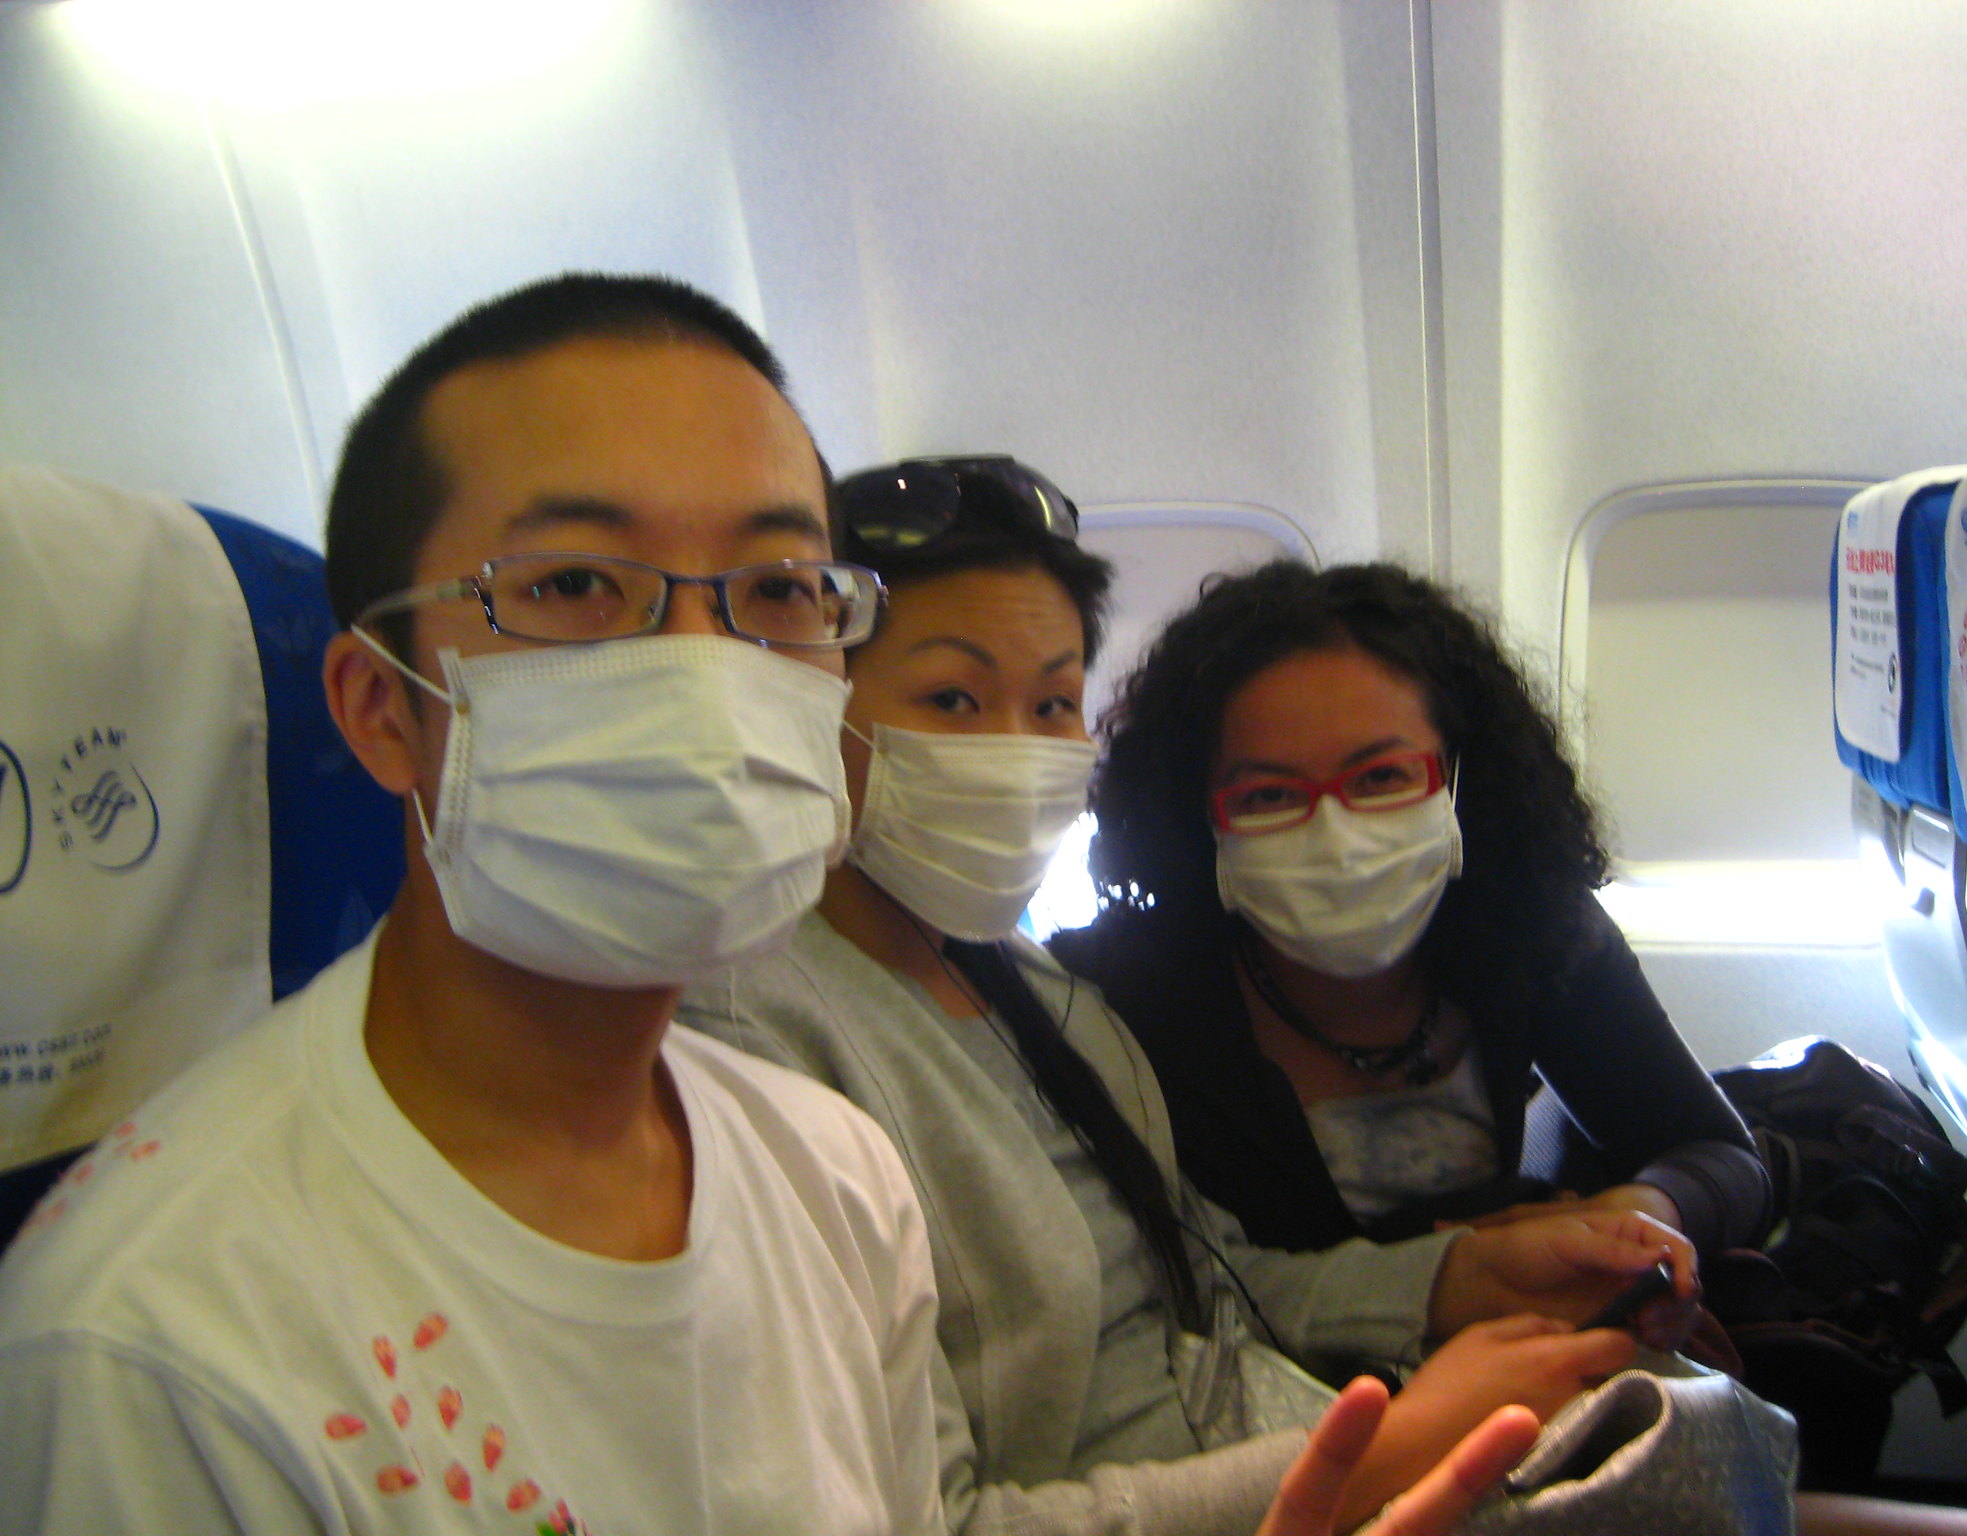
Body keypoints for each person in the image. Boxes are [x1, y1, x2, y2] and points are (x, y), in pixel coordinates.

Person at [0, 277, 1564, 1536]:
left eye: (774, 594)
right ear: (379, 707)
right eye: (572, 588)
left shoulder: (824, 1177)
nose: (705, 674)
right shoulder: (154, 1350)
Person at [682, 456, 1696, 1536]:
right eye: (951, 699)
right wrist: (1395, 1450)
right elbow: (935, 1520)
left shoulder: (1024, 986)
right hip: (1262, 1492)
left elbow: (1214, 1287)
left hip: (1268, 1431)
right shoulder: (754, 1040)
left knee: (1691, 1423)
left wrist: (1463, 1278)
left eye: (1054, 701)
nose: (1017, 750)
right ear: (805, 703)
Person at [1050, 560, 1771, 1258]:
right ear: (1195, 818)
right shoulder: (1116, 1004)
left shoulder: (1532, 929)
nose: (1337, 838)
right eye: (1267, 795)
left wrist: (1641, 1217)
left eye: (1382, 777)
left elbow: (1720, 1155)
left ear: (1462, 780)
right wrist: (1453, 1272)